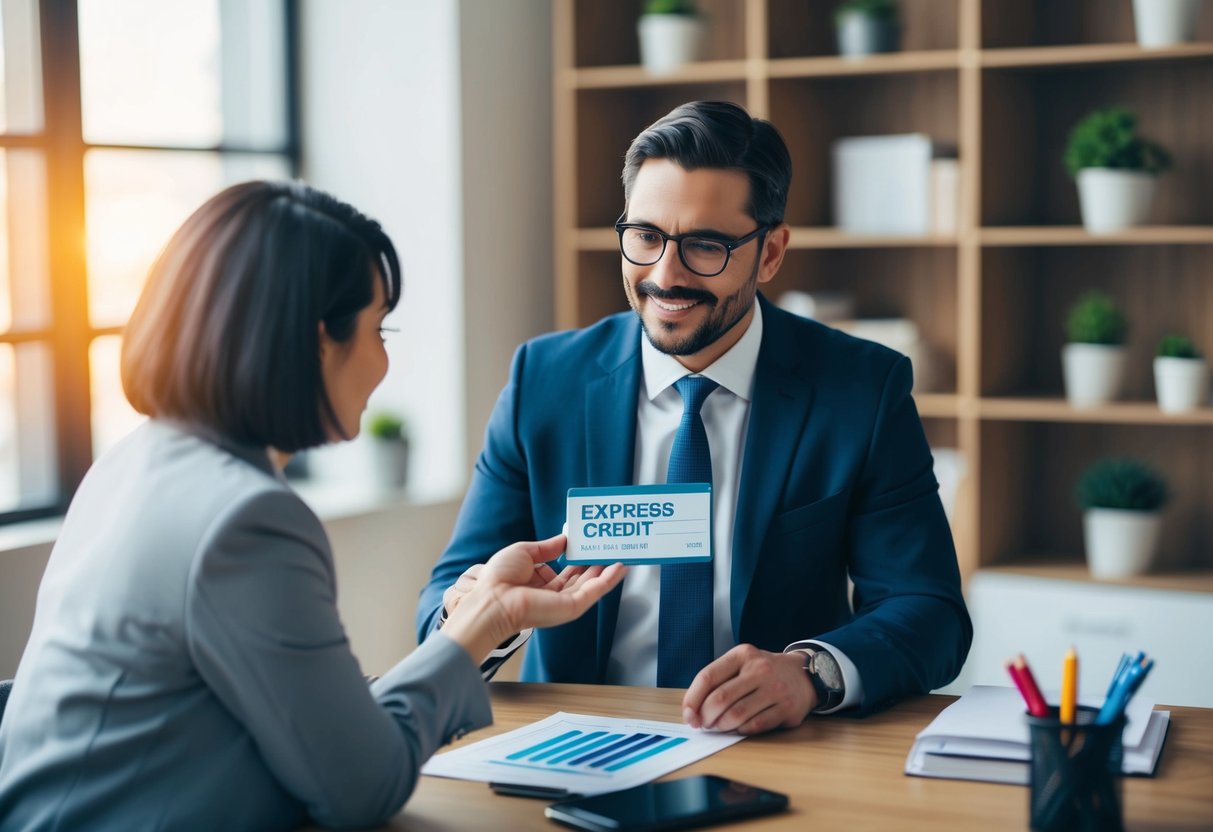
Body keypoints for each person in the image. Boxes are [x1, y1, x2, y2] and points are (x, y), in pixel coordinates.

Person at [0, 181, 625, 831]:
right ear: (319, 338)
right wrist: (483, 621)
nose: (385, 361)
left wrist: (486, 618)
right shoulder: (245, 519)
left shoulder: (135, 461)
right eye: (378, 329)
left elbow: (323, 733)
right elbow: (362, 787)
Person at [418, 101, 971, 735]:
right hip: (581, 741)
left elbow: (929, 612)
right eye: (646, 236)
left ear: (769, 254)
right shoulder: (543, 381)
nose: (665, 275)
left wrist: (810, 674)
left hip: (774, 748)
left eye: (705, 245)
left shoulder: (860, 390)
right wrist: (480, 615)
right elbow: (442, 600)